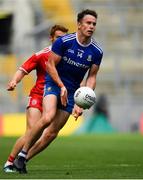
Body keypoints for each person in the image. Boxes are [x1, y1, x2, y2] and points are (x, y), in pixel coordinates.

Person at [13, 9, 103, 173]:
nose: (91, 26)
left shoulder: (97, 51)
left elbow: (92, 77)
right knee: (47, 117)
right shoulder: (64, 42)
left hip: (72, 91)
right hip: (54, 83)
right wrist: (61, 86)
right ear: (79, 24)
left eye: (94, 24)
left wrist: (83, 99)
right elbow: (50, 65)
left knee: (52, 133)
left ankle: (23, 158)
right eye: (88, 23)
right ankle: (22, 152)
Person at [3, 25, 68, 173]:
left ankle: (22, 160)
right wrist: (14, 81)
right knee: (32, 131)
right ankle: (9, 162)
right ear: (51, 38)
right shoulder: (42, 54)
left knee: (51, 134)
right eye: (58, 37)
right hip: (38, 96)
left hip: (56, 98)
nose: (61, 40)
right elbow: (23, 69)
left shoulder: (69, 56)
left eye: (64, 37)